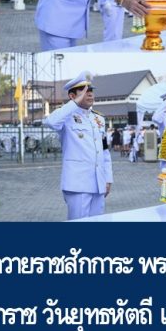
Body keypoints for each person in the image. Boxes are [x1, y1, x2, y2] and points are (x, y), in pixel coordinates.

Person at [43, 71, 112, 220]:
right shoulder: (66, 116)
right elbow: (50, 122)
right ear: (72, 96)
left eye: (91, 90)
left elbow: (105, 151)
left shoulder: (98, 119)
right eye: (84, 90)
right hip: (78, 184)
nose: (89, 94)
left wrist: (108, 179)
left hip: (98, 182)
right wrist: (74, 104)